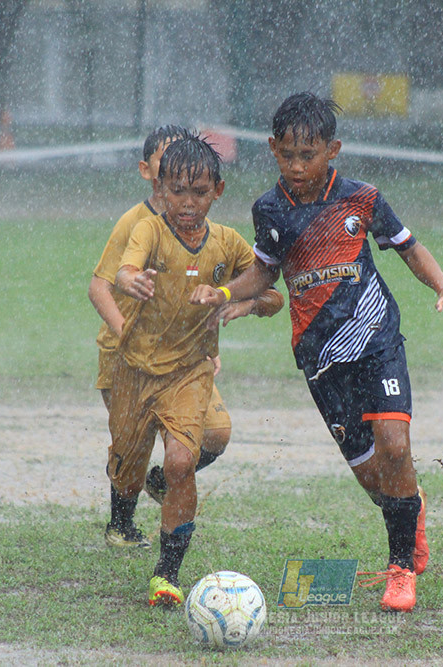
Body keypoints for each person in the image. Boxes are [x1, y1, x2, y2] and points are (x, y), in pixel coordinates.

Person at [190, 92, 443, 613]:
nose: (297, 166)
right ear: (272, 149)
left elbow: (408, 246)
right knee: (373, 476)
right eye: (287, 155)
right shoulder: (270, 209)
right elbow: (265, 270)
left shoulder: (361, 199)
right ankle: (410, 508)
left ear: (332, 150)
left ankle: (400, 570)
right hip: (319, 358)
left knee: (395, 447)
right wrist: (228, 293)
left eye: (309, 155)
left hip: (376, 339)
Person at [88, 126, 282, 550]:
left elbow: (268, 289)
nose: (187, 194)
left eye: (197, 184)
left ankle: (167, 493)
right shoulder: (139, 226)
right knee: (129, 456)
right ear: (154, 175)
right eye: (175, 178)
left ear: (214, 187)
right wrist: (129, 331)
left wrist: (238, 303)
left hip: (187, 364)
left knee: (210, 437)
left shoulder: (222, 240)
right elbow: (102, 284)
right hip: (127, 357)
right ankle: (122, 521)